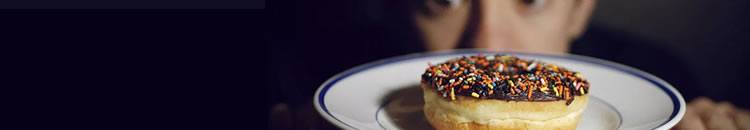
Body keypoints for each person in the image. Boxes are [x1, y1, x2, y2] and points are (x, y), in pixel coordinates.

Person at [270, 0, 750, 129]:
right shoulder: (330, 88)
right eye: (444, 1)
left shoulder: (665, 88)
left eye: (533, 0)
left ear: (582, 7)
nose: (488, 42)